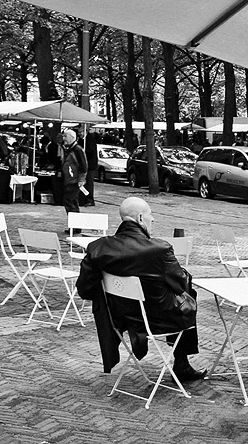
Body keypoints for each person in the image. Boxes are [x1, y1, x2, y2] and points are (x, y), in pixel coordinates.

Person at [75, 197, 205, 382]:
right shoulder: (159, 249)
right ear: (140, 218)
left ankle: (181, 364)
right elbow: (180, 284)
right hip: (157, 320)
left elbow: (84, 290)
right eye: (151, 215)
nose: (153, 219)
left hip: (119, 318)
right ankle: (181, 364)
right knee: (188, 297)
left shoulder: (98, 248)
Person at [61, 128, 88, 216]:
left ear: (72, 137)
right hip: (70, 180)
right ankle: (73, 222)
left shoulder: (77, 150)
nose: (64, 138)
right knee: (70, 201)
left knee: (70, 201)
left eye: (65, 136)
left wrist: (81, 180)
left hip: (74, 180)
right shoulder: (70, 149)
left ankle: (75, 222)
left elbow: (83, 166)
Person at [83, 130, 98, 206]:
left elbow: (91, 152)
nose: (79, 134)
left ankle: (89, 199)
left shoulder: (89, 139)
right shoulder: (84, 139)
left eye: (80, 132)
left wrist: (84, 151)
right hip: (87, 165)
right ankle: (85, 198)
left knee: (89, 183)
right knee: (86, 183)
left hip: (90, 165)